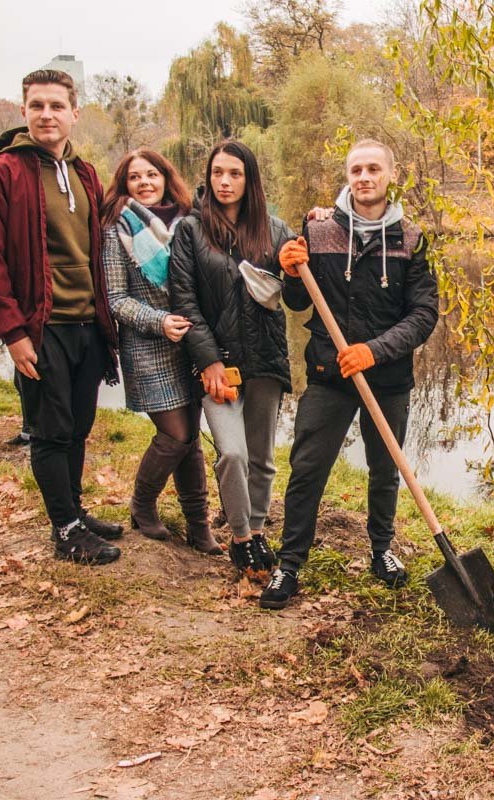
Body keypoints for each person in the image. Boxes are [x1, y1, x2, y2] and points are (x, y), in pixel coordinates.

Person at [260, 138, 439, 609]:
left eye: (373, 169)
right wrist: (292, 274)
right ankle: (289, 563)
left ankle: (382, 550)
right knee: (307, 468)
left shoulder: (413, 238)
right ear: (348, 175)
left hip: (387, 377)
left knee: (385, 470)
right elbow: (298, 302)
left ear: (390, 175)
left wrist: (374, 352)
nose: (364, 177)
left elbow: (424, 314)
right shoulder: (318, 231)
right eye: (356, 169)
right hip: (327, 372)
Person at [0, 69, 123, 565]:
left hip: (87, 324)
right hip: (42, 326)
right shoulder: (0, 176)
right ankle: (65, 530)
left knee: (78, 426)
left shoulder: (86, 173)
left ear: (75, 114)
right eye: (37, 106)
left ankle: (73, 510)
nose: (46, 115)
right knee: (50, 430)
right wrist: (12, 333)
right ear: (23, 113)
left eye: (56, 106)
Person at [170, 140, 297, 564]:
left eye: (235, 174)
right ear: (208, 176)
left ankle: (258, 531)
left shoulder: (275, 230)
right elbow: (184, 300)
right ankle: (241, 536)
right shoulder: (190, 230)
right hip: (217, 365)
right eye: (218, 172)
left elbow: (297, 299)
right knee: (233, 454)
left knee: (262, 457)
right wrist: (208, 360)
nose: (224, 182)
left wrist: (307, 243)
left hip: (264, 360)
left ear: (250, 179)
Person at [100, 149, 220, 554]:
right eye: (135, 177)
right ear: (125, 184)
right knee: (176, 434)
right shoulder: (117, 229)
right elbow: (116, 298)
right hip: (148, 347)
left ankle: (199, 525)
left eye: (152, 174)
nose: (145, 183)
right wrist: (159, 321)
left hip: (191, 347)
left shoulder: (189, 221)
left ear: (167, 178)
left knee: (192, 439)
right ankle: (142, 503)